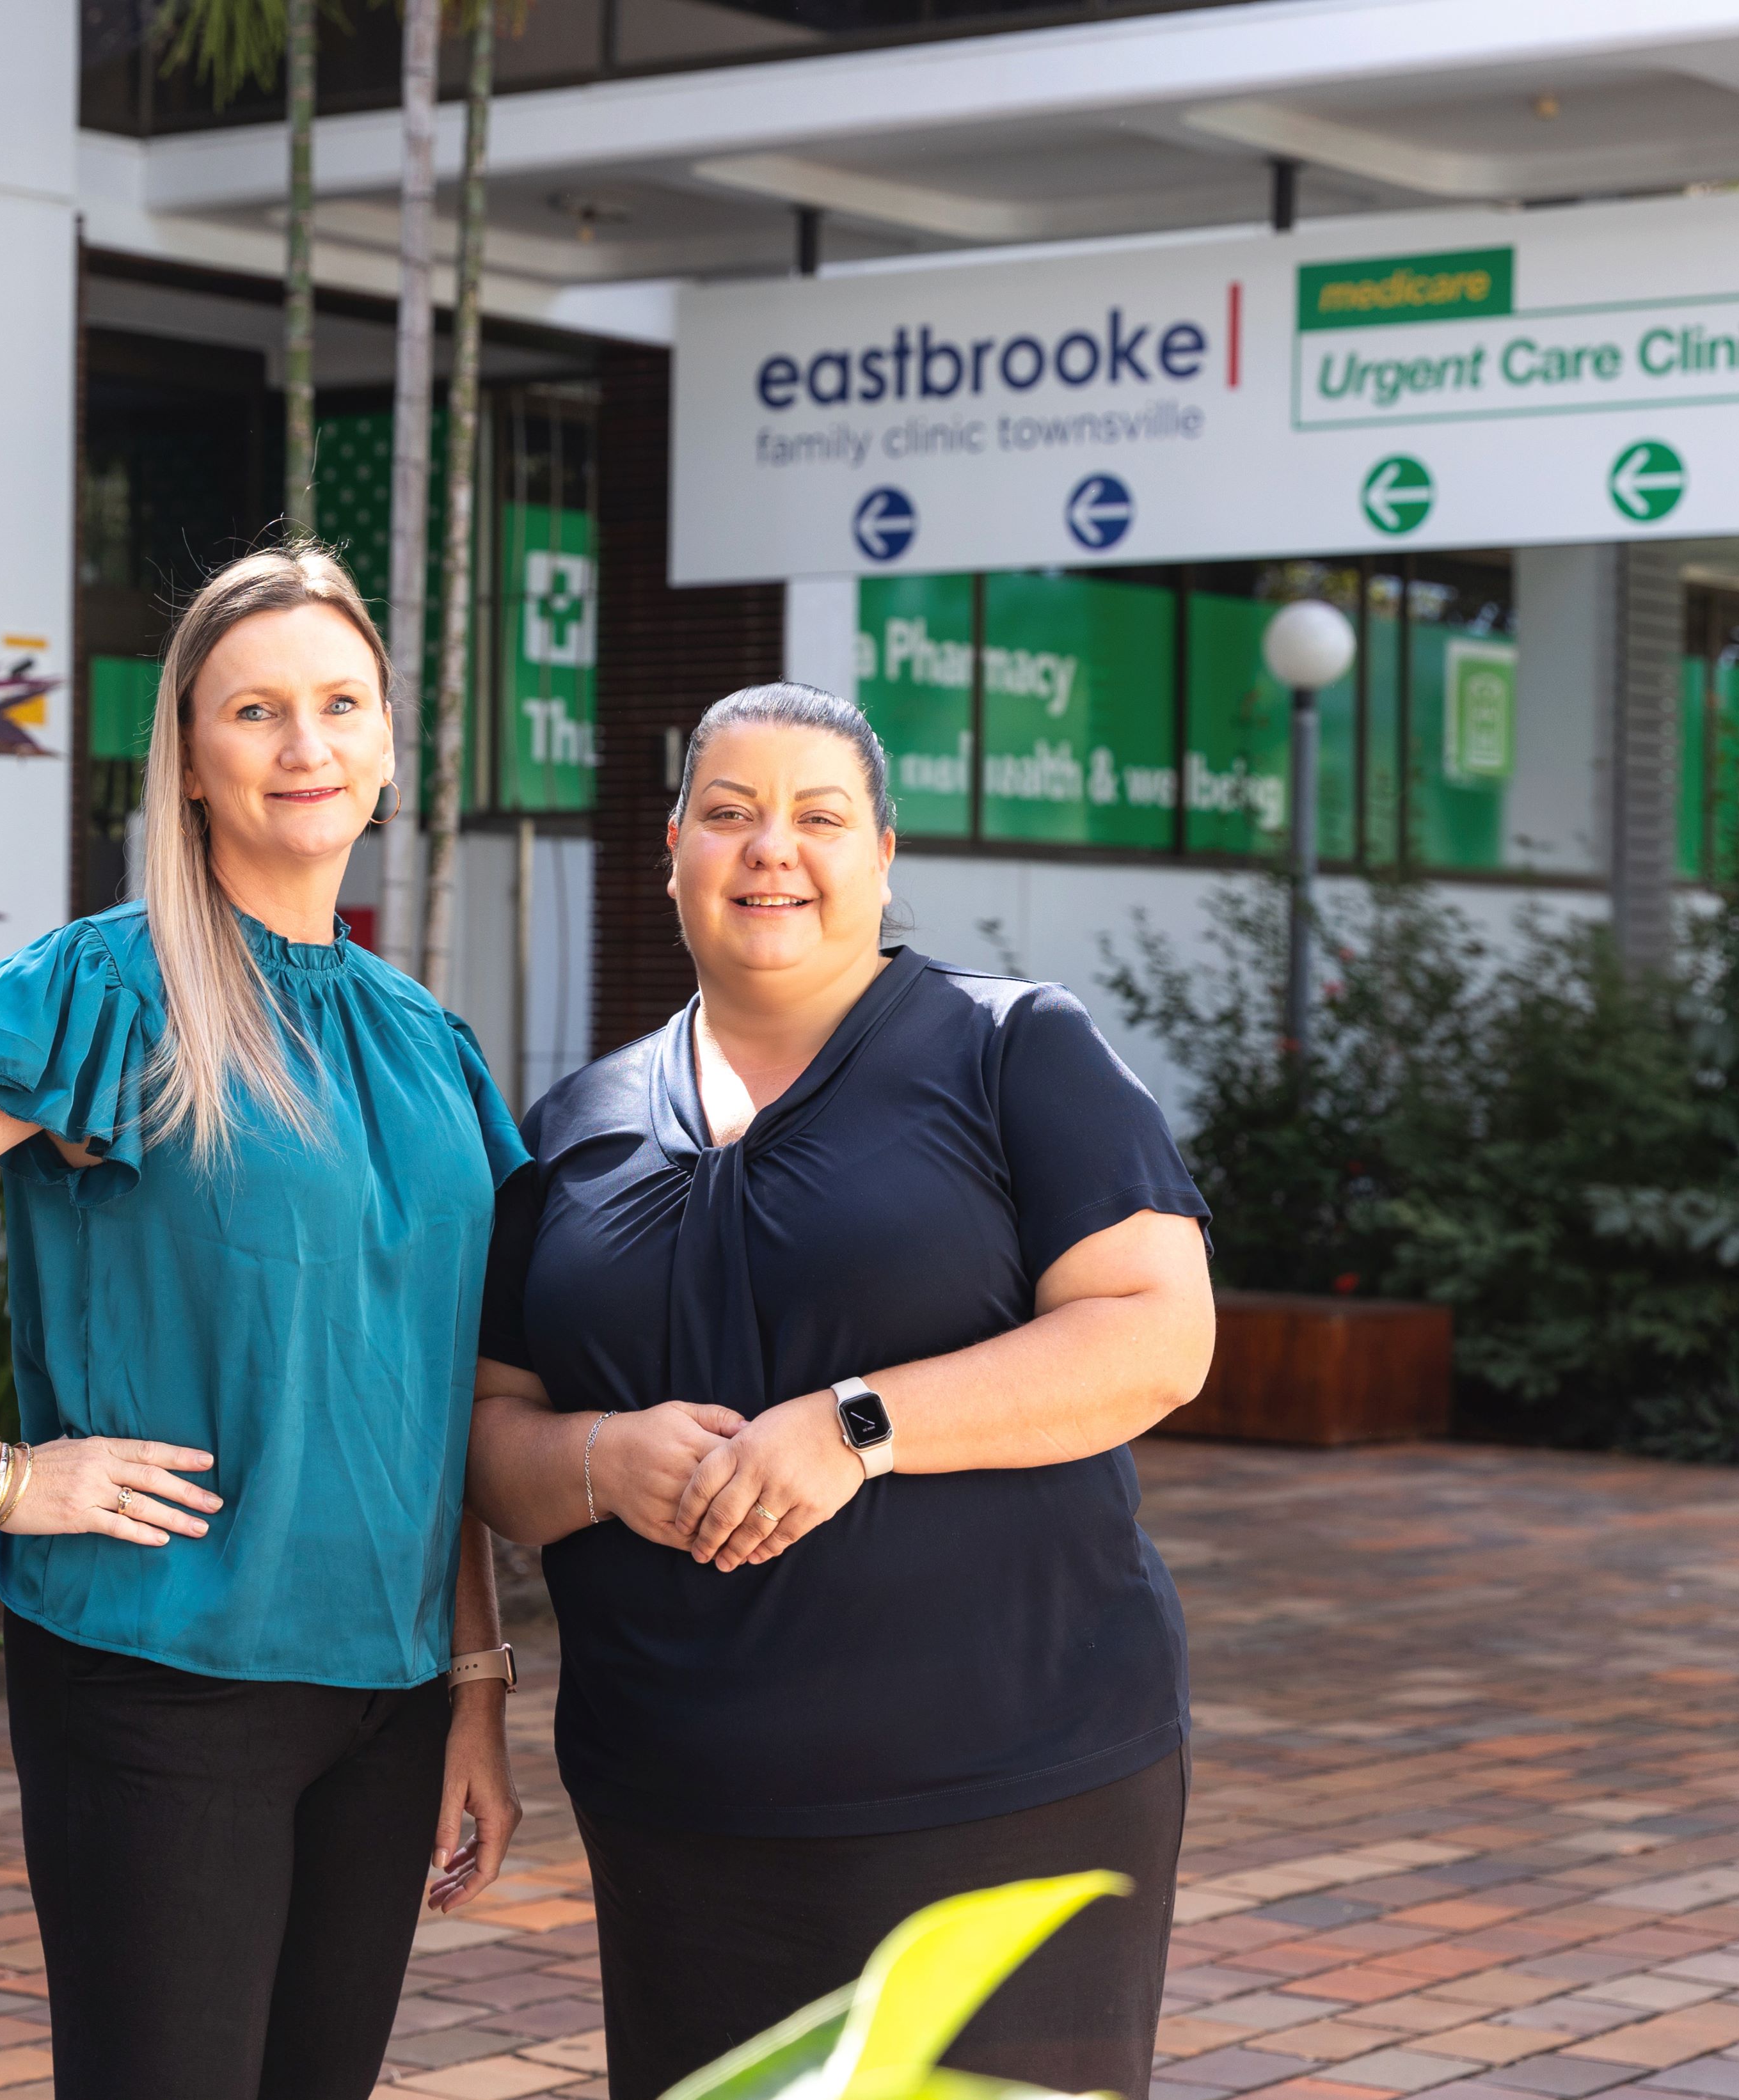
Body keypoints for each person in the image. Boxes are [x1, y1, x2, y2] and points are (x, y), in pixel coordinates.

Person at [0, 544, 530, 2100]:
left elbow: (428, 1379)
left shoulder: (428, 1039)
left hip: (386, 1697)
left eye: (338, 706)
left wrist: (476, 1687)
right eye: (256, 710)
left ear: (387, 744)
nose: (304, 744)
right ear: (186, 754)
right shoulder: (113, 987)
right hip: (170, 1678)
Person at [465, 681, 1215, 2100]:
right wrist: (602, 1456)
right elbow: (492, 1442)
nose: (772, 851)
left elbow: (1156, 1337)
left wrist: (857, 1425)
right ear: (673, 844)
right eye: (731, 815)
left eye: (818, 817)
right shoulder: (573, 1125)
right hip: (680, 1807)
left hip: (1008, 1781)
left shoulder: (1013, 1050)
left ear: (883, 853)